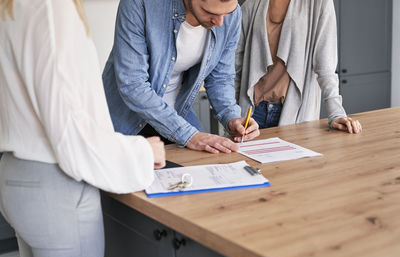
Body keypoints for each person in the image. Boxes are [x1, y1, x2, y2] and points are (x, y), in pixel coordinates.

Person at [0, 0, 165, 257]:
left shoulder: (14, 6)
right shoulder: (51, 7)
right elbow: (69, 129)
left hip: (20, 177)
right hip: (56, 186)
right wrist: (143, 152)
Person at [102, 0, 260, 154]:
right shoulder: (139, 4)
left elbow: (221, 77)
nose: (219, 22)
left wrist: (231, 116)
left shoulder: (231, 16)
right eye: (209, 12)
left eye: (227, 13)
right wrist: (189, 135)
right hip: (125, 115)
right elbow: (133, 85)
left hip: (177, 113)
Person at [235, 0, 362, 133]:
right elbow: (235, 66)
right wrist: (234, 113)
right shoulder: (250, 5)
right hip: (252, 113)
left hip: (295, 112)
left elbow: (326, 66)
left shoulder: (319, 3)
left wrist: (336, 113)